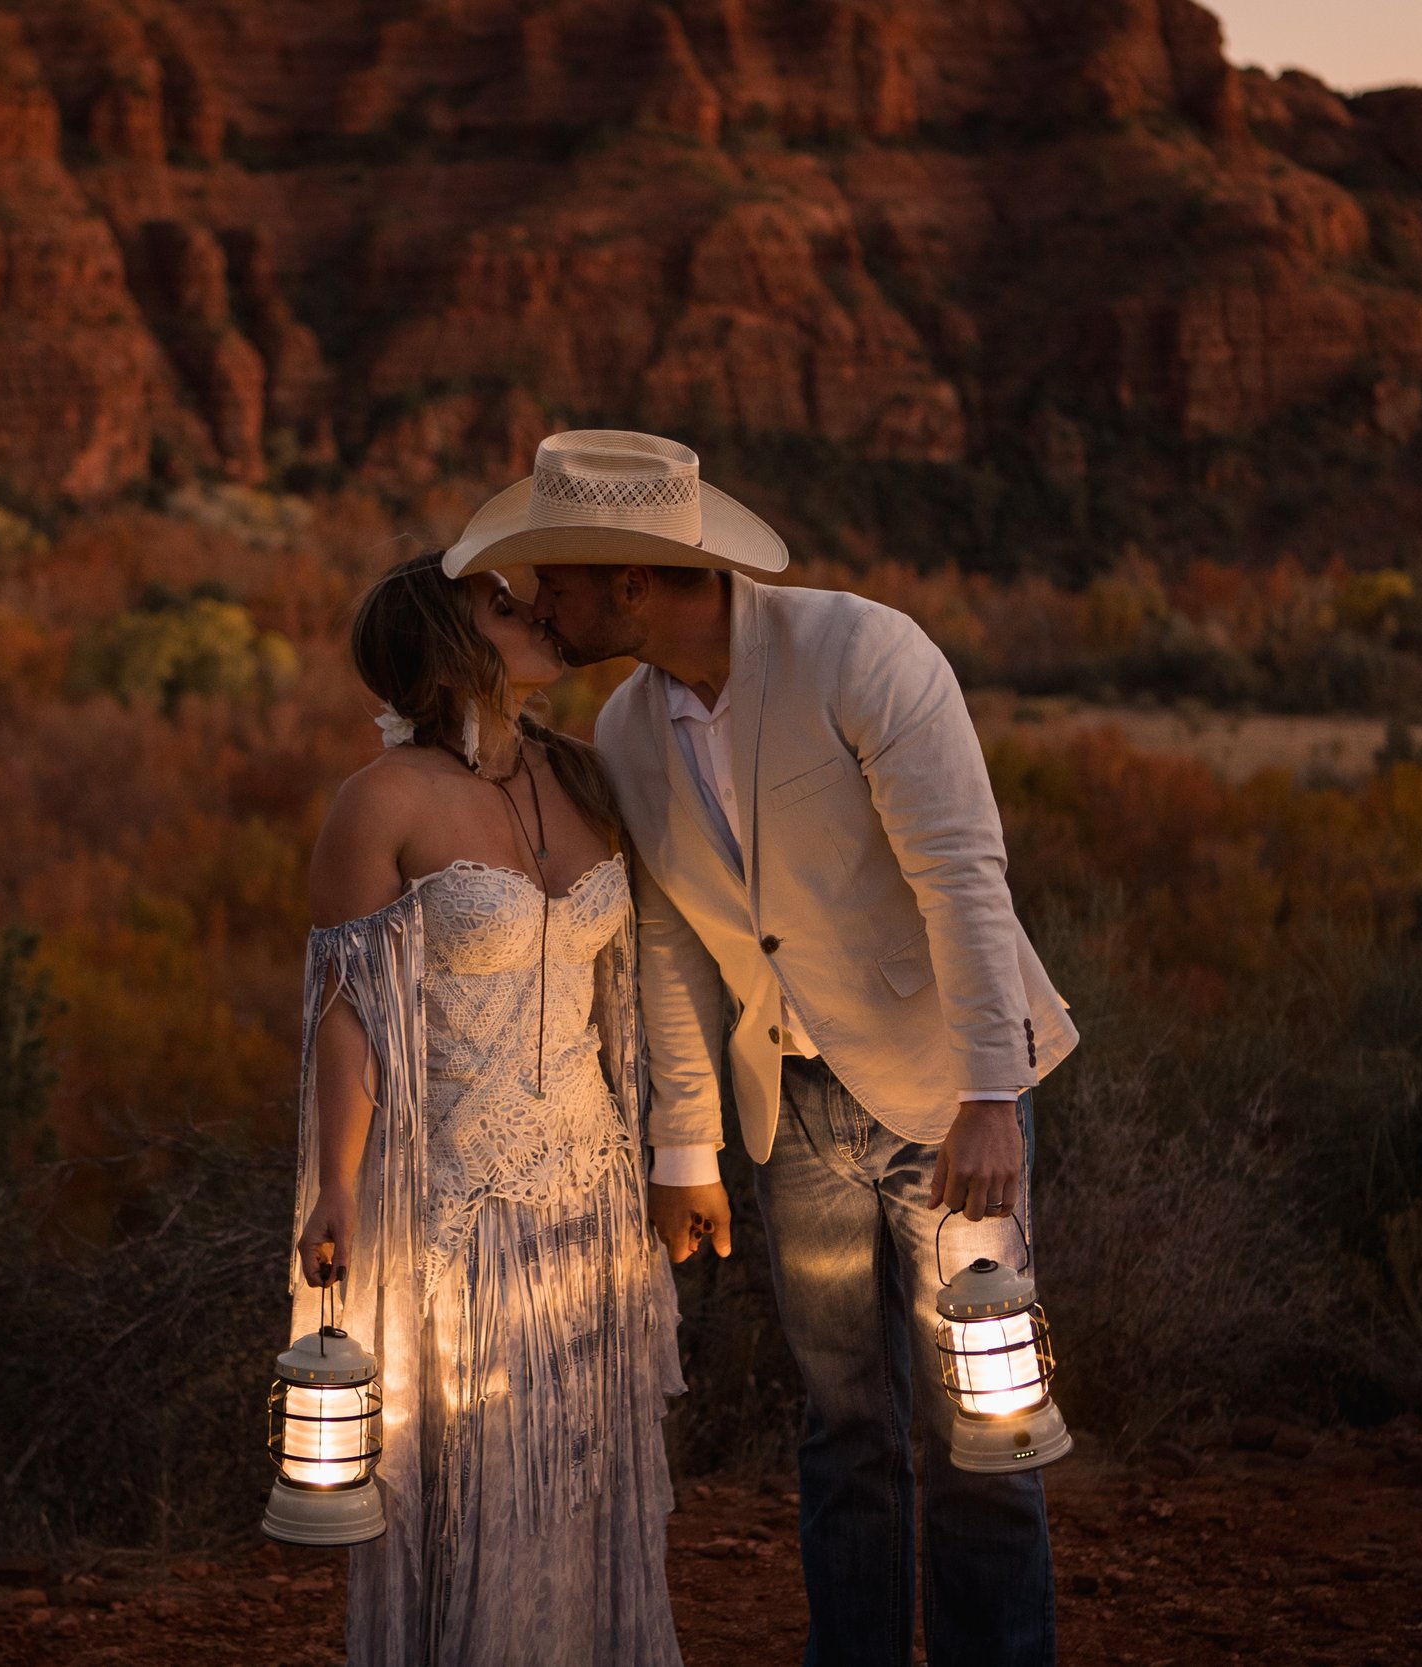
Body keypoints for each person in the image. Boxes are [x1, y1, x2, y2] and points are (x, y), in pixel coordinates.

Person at [449, 429, 1081, 1667]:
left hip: (941, 1095)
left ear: (633, 580)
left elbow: (963, 877)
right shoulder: (629, 728)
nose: (539, 606)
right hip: (788, 1114)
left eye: (558, 581)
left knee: (983, 1418)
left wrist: (992, 1093)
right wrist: (685, 1145)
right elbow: (677, 944)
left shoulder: (864, 651)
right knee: (841, 1425)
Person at [288, 549, 684, 1667]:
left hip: (592, 1195)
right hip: (463, 1210)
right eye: (503, 607)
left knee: (580, 1474)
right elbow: (347, 1010)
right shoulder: (384, 800)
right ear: (449, 643)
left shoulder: (585, 776)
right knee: (481, 1485)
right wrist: (337, 1182)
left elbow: (635, 988)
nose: (538, 614)